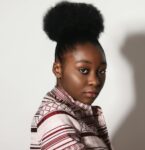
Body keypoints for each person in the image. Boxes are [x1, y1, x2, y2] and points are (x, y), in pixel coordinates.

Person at [30, 1, 112, 150]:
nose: (95, 81)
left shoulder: (79, 113)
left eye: (101, 71)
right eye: (84, 70)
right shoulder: (55, 117)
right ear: (58, 69)